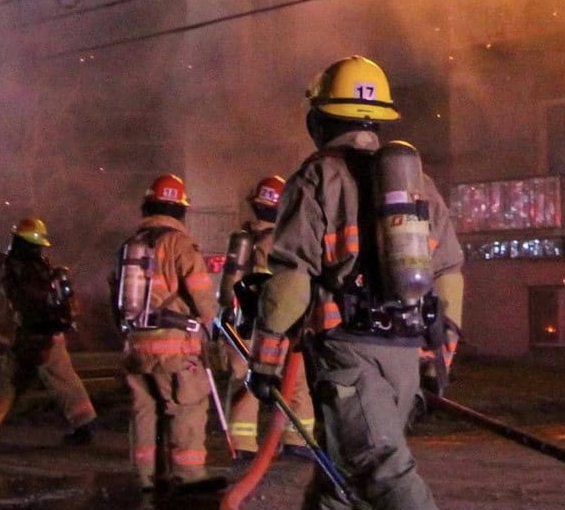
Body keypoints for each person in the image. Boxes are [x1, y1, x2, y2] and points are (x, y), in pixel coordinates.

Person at [245, 56, 464, 509]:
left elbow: (291, 281)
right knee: (339, 481)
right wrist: (438, 360)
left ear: (319, 118)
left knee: (384, 472)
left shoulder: (315, 178)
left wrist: (263, 362)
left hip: (348, 358)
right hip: (404, 356)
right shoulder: (419, 185)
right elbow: (448, 278)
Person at [113, 174, 223, 493]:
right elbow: (200, 290)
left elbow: (115, 296)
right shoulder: (179, 243)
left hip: (135, 343)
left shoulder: (130, 245)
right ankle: (188, 475)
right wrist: (209, 321)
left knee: (144, 408)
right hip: (174, 346)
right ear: (180, 210)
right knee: (188, 404)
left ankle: (145, 475)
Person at [0, 217, 97, 446]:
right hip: (43, 334)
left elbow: (26, 294)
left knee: (23, 379)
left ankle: (85, 424)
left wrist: (39, 334)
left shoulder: (26, 269)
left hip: (36, 336)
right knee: (38, 379)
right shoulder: (35, 265)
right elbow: (6, 264)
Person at [218, 175, 314, 462]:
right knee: (295, 380)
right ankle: (297, 438)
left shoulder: (243, 239)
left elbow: (227, 288)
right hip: (280, 322)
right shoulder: (287, 239)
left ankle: (241, 442)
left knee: (243, 379)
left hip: (243, 323)